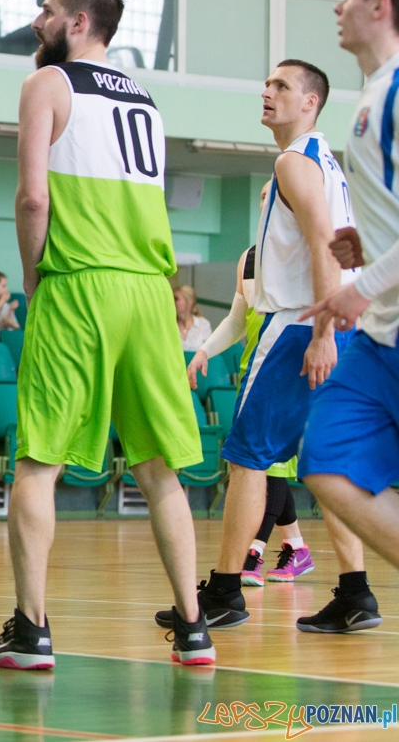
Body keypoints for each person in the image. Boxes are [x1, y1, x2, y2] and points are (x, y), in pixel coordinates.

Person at [0, 0, 213, 670]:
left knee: (38, 460)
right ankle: (195, 626)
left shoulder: (46, 86)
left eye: (47, 9)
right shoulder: (146, 99)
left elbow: (30, 197)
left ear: (78, 22)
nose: (36, 19)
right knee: (159, 465)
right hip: (149, 291)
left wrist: (30, 272)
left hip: (79, 282)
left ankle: (31, 628)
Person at [165, 60, 360, 632]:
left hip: (300, 325)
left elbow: (327, 248)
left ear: (311, 103)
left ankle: (225, 591)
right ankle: (355, 593)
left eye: (281, 87)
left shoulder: (294, 161)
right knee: (329, 468)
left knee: (248, 460)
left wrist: (320, 332)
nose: (266, 92)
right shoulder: (329, 164)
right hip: (335, 324)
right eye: (267, 83)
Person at [296, 0, 399, 635]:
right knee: (325, 463)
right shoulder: (370, 97)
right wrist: (369, 241)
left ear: (381, 5)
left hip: (378, 310)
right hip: (381, 332)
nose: (339, 5)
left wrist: (362, 282)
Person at [174, 285, 213, 350]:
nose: (172, 302)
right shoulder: (169, 325)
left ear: (188, 302)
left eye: (176, 299)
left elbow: (210, 351)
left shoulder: (203, 325)